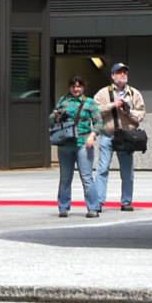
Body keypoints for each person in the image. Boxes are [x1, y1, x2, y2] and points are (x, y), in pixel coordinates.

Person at [93, 63, 146, 212]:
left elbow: (141, 114)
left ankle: (126, 202)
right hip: (108, 135)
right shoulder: (103, 93)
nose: (123, 75)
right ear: (112, 76)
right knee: (102, 169)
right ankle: (98, 202)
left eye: (125, 72)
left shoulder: (134, 93)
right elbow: (94, 109)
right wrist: (112, 105)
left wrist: (128, 112)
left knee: (127, 171)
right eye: (119, 72)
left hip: (126, 137)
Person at [51, 76, 103, 218]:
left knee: (86, 177)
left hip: (83, 143)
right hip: (65, 143)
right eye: (73, 86)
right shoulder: (63, 101)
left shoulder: (90, 103)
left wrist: (93, 135)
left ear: (83, 87)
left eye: (79, 86)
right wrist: (55, 116)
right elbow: (52, 120)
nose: (76, 89)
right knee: (65, 178)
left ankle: (93, 207)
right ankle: (63, 207)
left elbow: (98, 122)